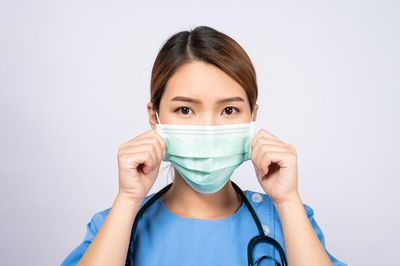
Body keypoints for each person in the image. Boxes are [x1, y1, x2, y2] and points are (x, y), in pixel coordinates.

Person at [61, 26, 347, 266]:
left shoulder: (287, 219)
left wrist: (287, 201)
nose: (208, 130)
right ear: (155, 118)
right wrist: (128, 200)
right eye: (185, 110)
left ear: (252, 117)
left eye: (229, 110)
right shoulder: (116, 225)